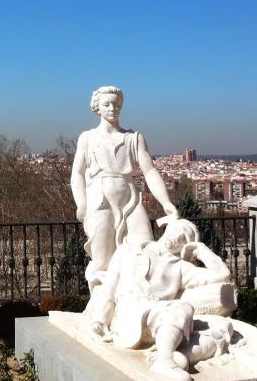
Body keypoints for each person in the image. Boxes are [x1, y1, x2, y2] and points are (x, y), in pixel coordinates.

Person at [89, 219, 232, 381]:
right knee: (179, 310)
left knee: (188, 310)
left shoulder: (181, 268)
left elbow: (222, 275)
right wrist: (99, 320)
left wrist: (202, 250)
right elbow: (109, 289)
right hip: (128, 317)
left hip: (159, 319)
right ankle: (169, 358)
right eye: (178, 229)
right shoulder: (127, 250)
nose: (178, 236)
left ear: (186, 246)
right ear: (167, 228)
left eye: (185, 238)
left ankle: (166, 359)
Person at [71, 86, 179, 289]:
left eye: (117, 104)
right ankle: (101, 306)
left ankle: (137, 300)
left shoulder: (134, 137)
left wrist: (166, 203)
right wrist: (82, 204)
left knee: (144, 250)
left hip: (130, 200)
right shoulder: (87, 138)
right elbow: (77, 173)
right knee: (102, 260)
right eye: (107, 104)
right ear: (97, 108)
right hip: (100, 200)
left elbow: (149, 171)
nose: (113, 108)